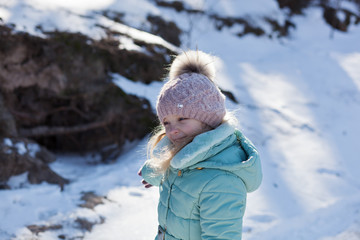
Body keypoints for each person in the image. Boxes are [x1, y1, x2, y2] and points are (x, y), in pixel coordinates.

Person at [138, 50, 262, 240]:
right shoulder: (185, 155)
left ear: (208, 119)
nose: (172, 130)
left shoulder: (221, 181)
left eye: (182, 118)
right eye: (166, 123)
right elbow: (181, 179)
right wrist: (156, 171)